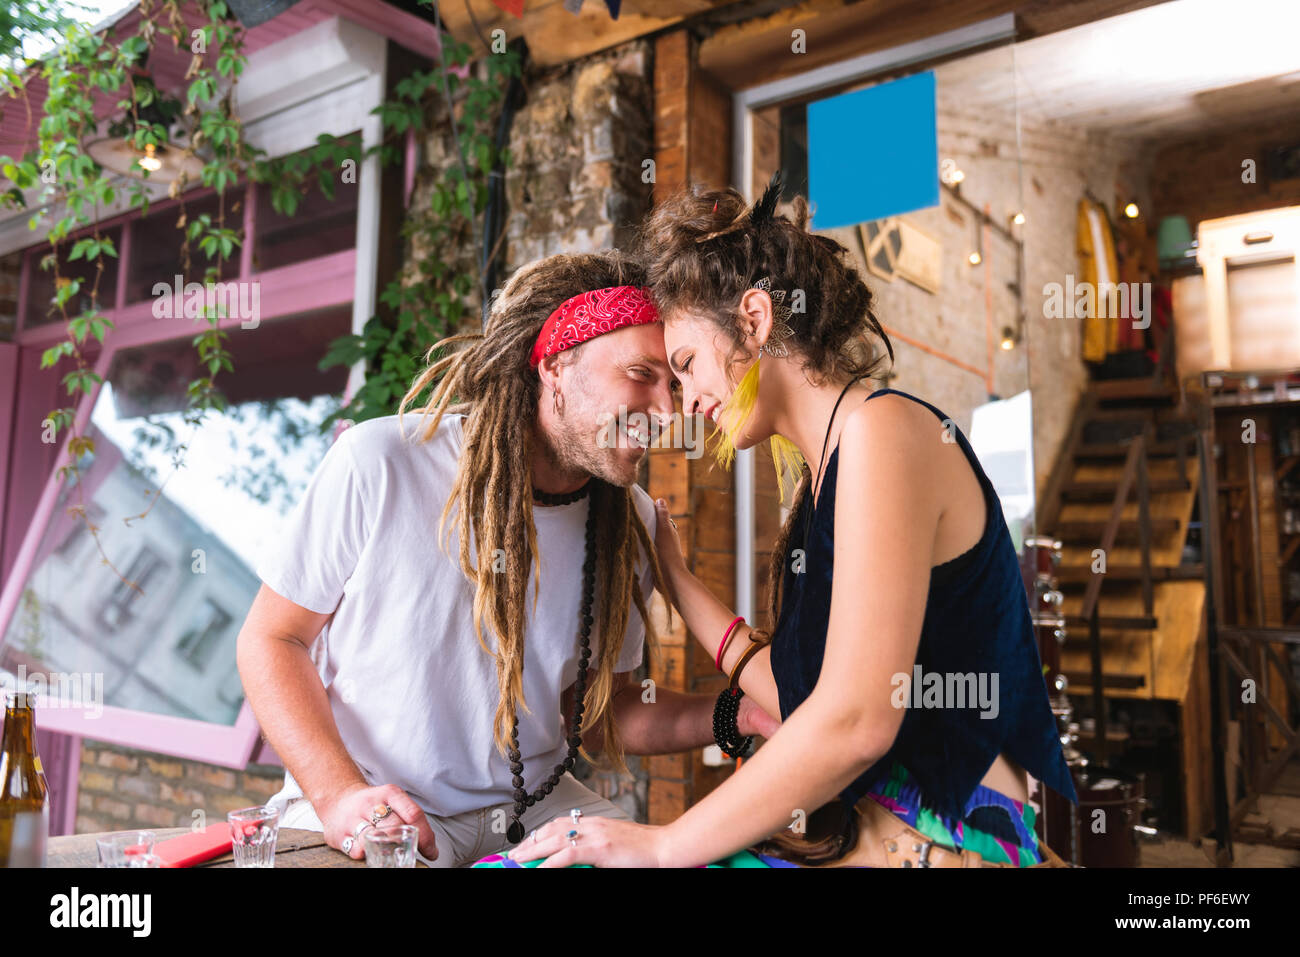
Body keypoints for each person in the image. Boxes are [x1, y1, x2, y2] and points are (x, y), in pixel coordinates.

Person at [508, 177, 1078, 868]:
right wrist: (679, 579)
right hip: (874, 828)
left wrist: (663, 844)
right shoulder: (822, 478)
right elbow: (805, 695)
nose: (685, 404)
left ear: (754, 319)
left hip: (949, 835)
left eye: (686, 365)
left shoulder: (882, 430)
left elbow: (857, 723)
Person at [236, 251, 779, 867]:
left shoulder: (629, 520)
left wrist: (743, 713)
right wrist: (338, 794)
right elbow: (271, 640)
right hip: (384, 804)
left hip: (535, 809)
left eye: (675, 384)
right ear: (555, 364)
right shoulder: (381, 462)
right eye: (640, 373)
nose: (666, 411)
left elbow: (600, 715)